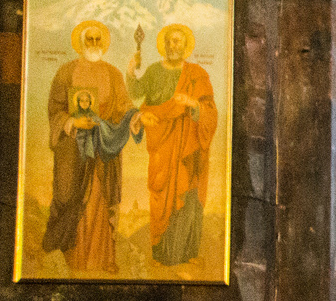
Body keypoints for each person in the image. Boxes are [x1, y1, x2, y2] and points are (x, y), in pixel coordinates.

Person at [43, 20, 135, 273]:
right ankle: (75, 260)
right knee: (73, 197)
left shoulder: (114, 74)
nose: (93, 44)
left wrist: (134, 117)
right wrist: (72, 121)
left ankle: (103, 259)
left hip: (103, 150)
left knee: (101, 200)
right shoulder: (65, 72)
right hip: (74, 152)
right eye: (89, 39)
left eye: (97, 39)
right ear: (81, 43)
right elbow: (55, 109)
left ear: (103, 43)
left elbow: (123, 106)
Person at [128, 23, 217, 266]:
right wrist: (130, 73)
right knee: (161, 192)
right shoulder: (154, 71)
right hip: (162, 144)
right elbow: (137, 94)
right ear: (163, 45)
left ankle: (185, 254)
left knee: (186, 194)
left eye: (177, 41)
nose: (172, 45)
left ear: (186, 45)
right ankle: (162, 254)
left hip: (188, 144)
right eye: (169, 41)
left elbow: (210, 111)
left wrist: (192, 103)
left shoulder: (197, 74)